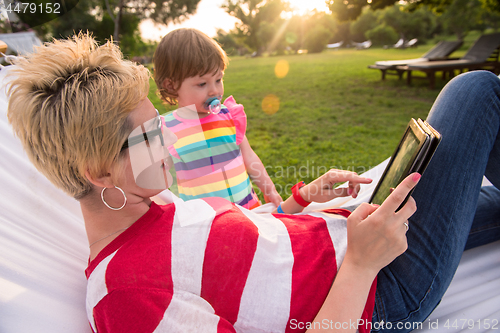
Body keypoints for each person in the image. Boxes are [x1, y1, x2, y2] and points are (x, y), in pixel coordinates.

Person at [6, 33, 500, 333]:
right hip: (380, 292)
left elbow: (246, 246)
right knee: (475, 90)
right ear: (97, 173)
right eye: (149, 134)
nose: (169, 137)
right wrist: (361, 265)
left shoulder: (152, 204)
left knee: (485, 200)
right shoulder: (127, 296)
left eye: (160, 120)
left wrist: (301, 200)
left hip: (352, 235)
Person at [153, 28, 283, 210]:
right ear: (172, 85)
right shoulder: (166, 130)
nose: (214, 90)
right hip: (208, 223)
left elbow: (249, 156)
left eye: (218, 79)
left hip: (249, 210)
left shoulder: (229, 116)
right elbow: (160, 182)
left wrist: (269, 189)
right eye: (202, 84)